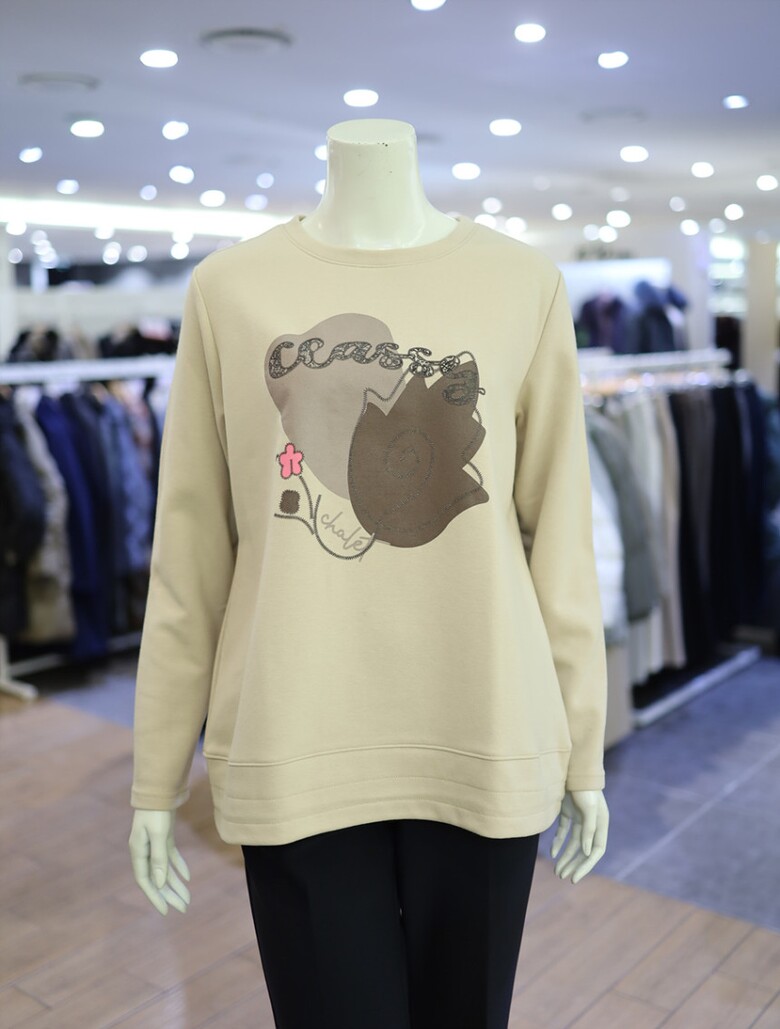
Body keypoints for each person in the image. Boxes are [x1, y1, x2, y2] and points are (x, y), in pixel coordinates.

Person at [129, 117, 610, 1028]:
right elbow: (189, 556)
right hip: (296, 737)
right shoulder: (228, 290)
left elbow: (561, 541)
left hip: (483, 726)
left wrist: (580, 748)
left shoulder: (524, 284)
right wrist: (156, 773)